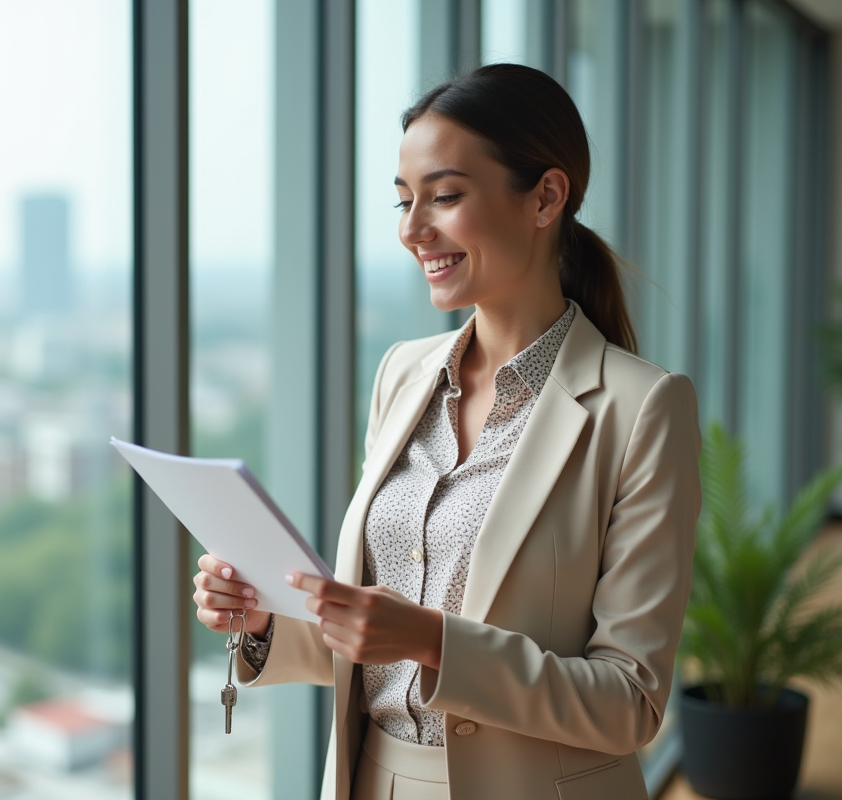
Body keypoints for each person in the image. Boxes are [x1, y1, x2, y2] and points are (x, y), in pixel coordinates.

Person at [192, 64, 701, 800]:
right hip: (375, 779)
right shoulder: (403, 374)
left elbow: (631, 702)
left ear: (545, 198)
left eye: (445, 197)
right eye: (403, 202)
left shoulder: (643, 408)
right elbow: (375, 641)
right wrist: (265, 616)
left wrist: (432, 642)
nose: (411, 230)